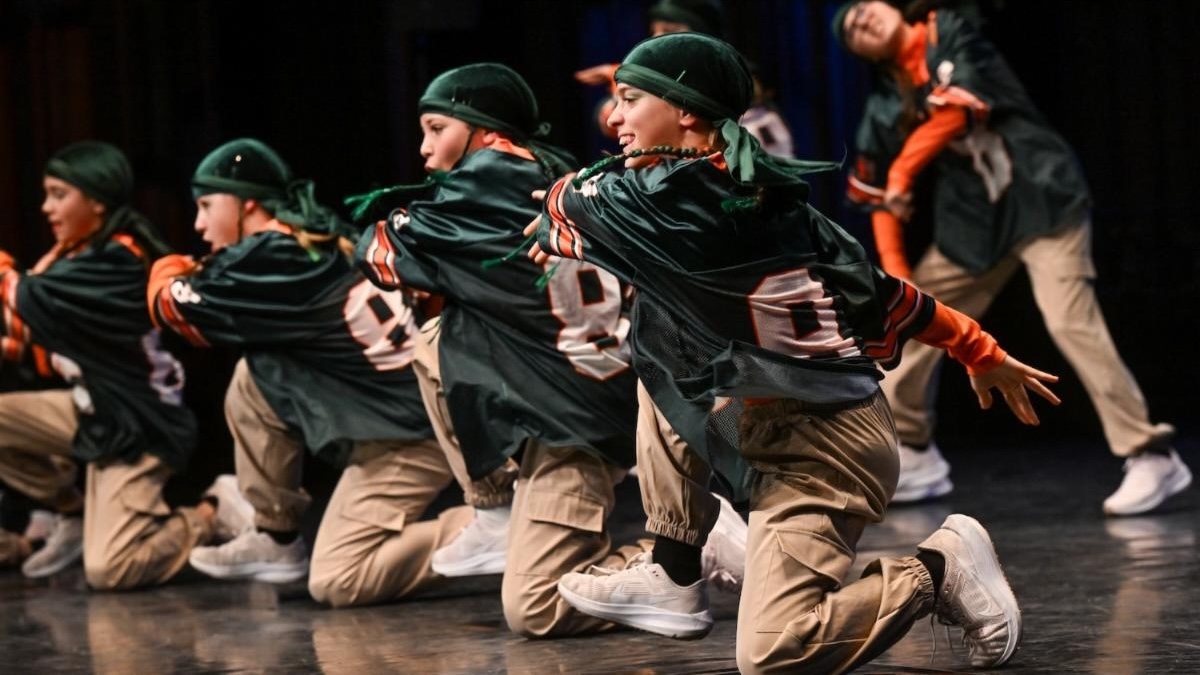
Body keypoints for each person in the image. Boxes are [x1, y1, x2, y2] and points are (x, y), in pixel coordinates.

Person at [527, 33, 1061, 672]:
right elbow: (884, 295)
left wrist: (564, 211)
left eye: (629, 99)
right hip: (758, 419)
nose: (613, 118)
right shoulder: (763, 196)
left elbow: (564, 200)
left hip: (819, 450)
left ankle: (938, 570)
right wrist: (979, 349)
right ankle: (675, 565)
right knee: (662, 340)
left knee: (772, 654)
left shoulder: (671, 204)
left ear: (686, 110)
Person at [352, 62, 745, 636]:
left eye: (437, 129)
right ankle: (505, 515)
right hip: (590, 391)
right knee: (450, 325)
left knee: (535, 606)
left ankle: (686, 549)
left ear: (487, 132)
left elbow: (380, 252)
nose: (425, 149)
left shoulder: (486, 177)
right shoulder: (565, 173)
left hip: (570, 417)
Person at [834, 0, 1189, 514]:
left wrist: (903, 173)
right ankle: (913, 449)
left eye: (864, 8)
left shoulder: (947, 32)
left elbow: (957, 111)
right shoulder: (885, 108)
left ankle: (1149, 452)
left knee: (1070, 322)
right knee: (908, 318)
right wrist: (899, 276)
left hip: (1042, 201)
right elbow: (876, 201)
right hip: (975, 226)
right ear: (860, 54)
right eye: (851, 29)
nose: (862, 19)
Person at [149, 138, 469, 606]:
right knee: (255, 372)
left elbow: (172, 306)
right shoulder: (311, 237)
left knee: (339, 578)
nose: (198, 224)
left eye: (206, 206)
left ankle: (499, 528)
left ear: (246, 203)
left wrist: (168, 266)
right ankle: (274, 534)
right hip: (392, 419)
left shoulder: (272, 253)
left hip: (415, 438)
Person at [0, 140, 213, 589]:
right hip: (94, 409)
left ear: (97, 199)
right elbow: (49, 344)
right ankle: (72, 513)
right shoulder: (77, 255)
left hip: (138, 422)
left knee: (111, 569)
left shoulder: (118, 258)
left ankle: (213, 511)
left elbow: (24, 297)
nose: (46, 207)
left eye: (59, 194)